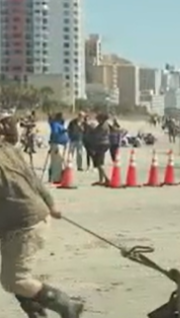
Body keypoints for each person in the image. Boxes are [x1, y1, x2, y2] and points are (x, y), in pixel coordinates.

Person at [0, 118, 84, 318]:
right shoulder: (8, 150)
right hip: (34, 217)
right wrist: (51, 205)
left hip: (23, 225)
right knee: (14, 272)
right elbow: (34, 179)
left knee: (15, 280)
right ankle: (37, 314)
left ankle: (66, 305)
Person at [90, 113, 111, 185]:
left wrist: (92, 129)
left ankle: (107, 179)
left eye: (98, 119)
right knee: (100, 163)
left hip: (101, 144)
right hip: (103, 144)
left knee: (99, 163)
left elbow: (96, 134)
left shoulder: (102, 126)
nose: (97, 120)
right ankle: (101, 180)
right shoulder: (104, 125)